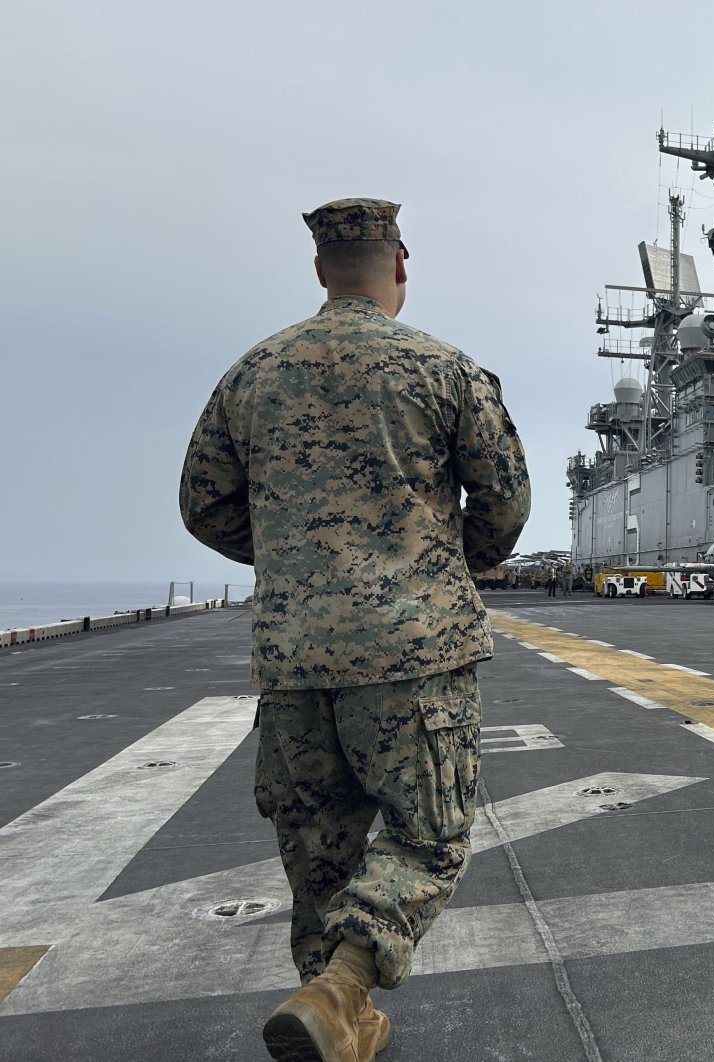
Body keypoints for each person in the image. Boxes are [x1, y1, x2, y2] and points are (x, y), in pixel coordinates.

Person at [179, 198, 531, 1062]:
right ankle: (341, 990)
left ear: (319, 271)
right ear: (399, 267)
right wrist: (454, 563)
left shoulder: (251, 374)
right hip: (413, 657)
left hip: (295, 663)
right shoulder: (444, 371)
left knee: (316, 846)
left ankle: (337, 1017)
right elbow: (505, 502)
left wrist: (292, 561)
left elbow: (202, 505)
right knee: (428, 834)